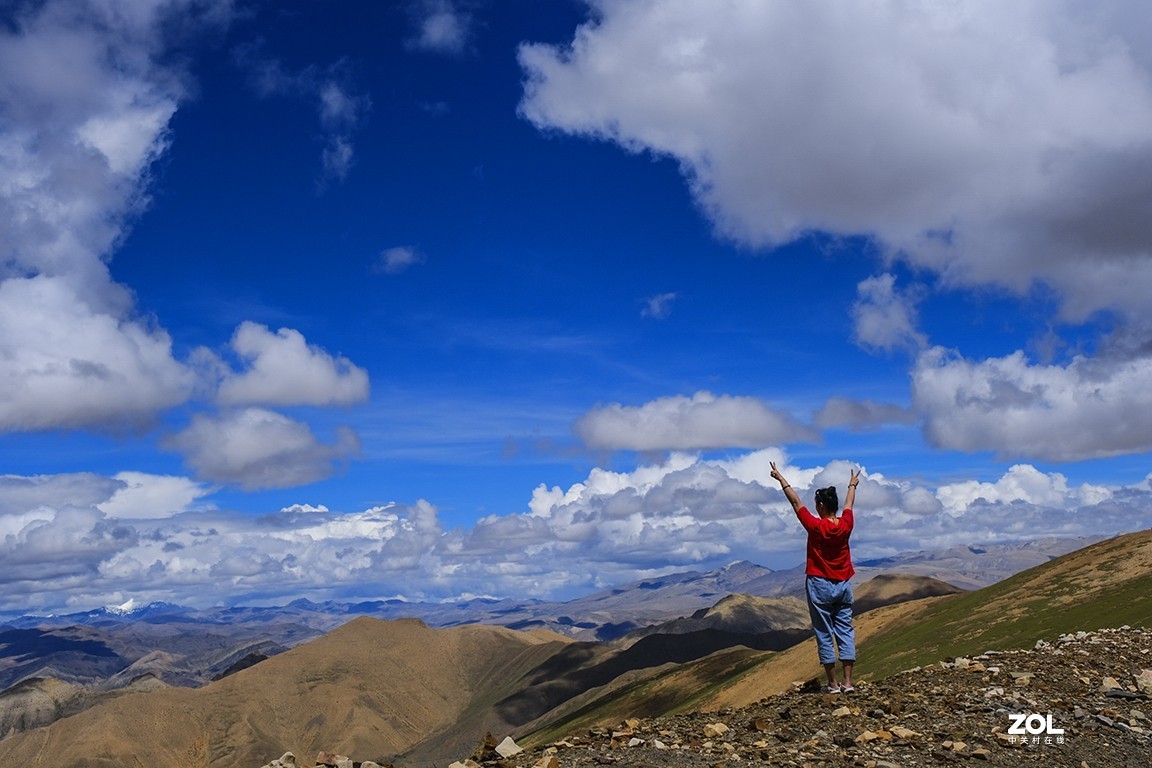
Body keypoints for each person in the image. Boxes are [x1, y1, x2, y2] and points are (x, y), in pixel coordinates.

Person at [770, 461, 861, 694]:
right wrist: (852, 485)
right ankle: (848, 683)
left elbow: (795, 502)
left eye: (816, 505)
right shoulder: (846, 524)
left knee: (824, 632)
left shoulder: (815, 526)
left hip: (819, 583)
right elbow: (850, 504)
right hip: (843, 584)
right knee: (845, 630)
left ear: (820, 506)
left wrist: (781, 479)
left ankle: (832, 684)